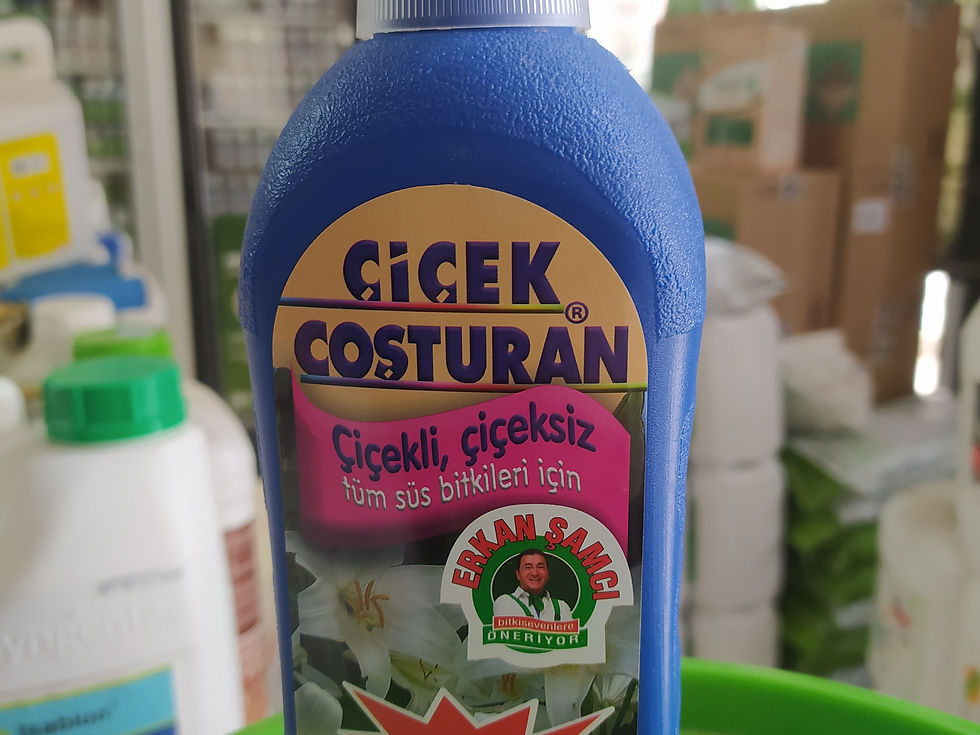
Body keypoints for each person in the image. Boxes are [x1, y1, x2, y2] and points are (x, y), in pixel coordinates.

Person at [493, 549, 573, 621]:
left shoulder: (562, 607)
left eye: (540, 567)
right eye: (528, 567)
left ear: (547, 573)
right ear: (518, 574)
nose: (535, 573)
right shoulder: (505, 602)